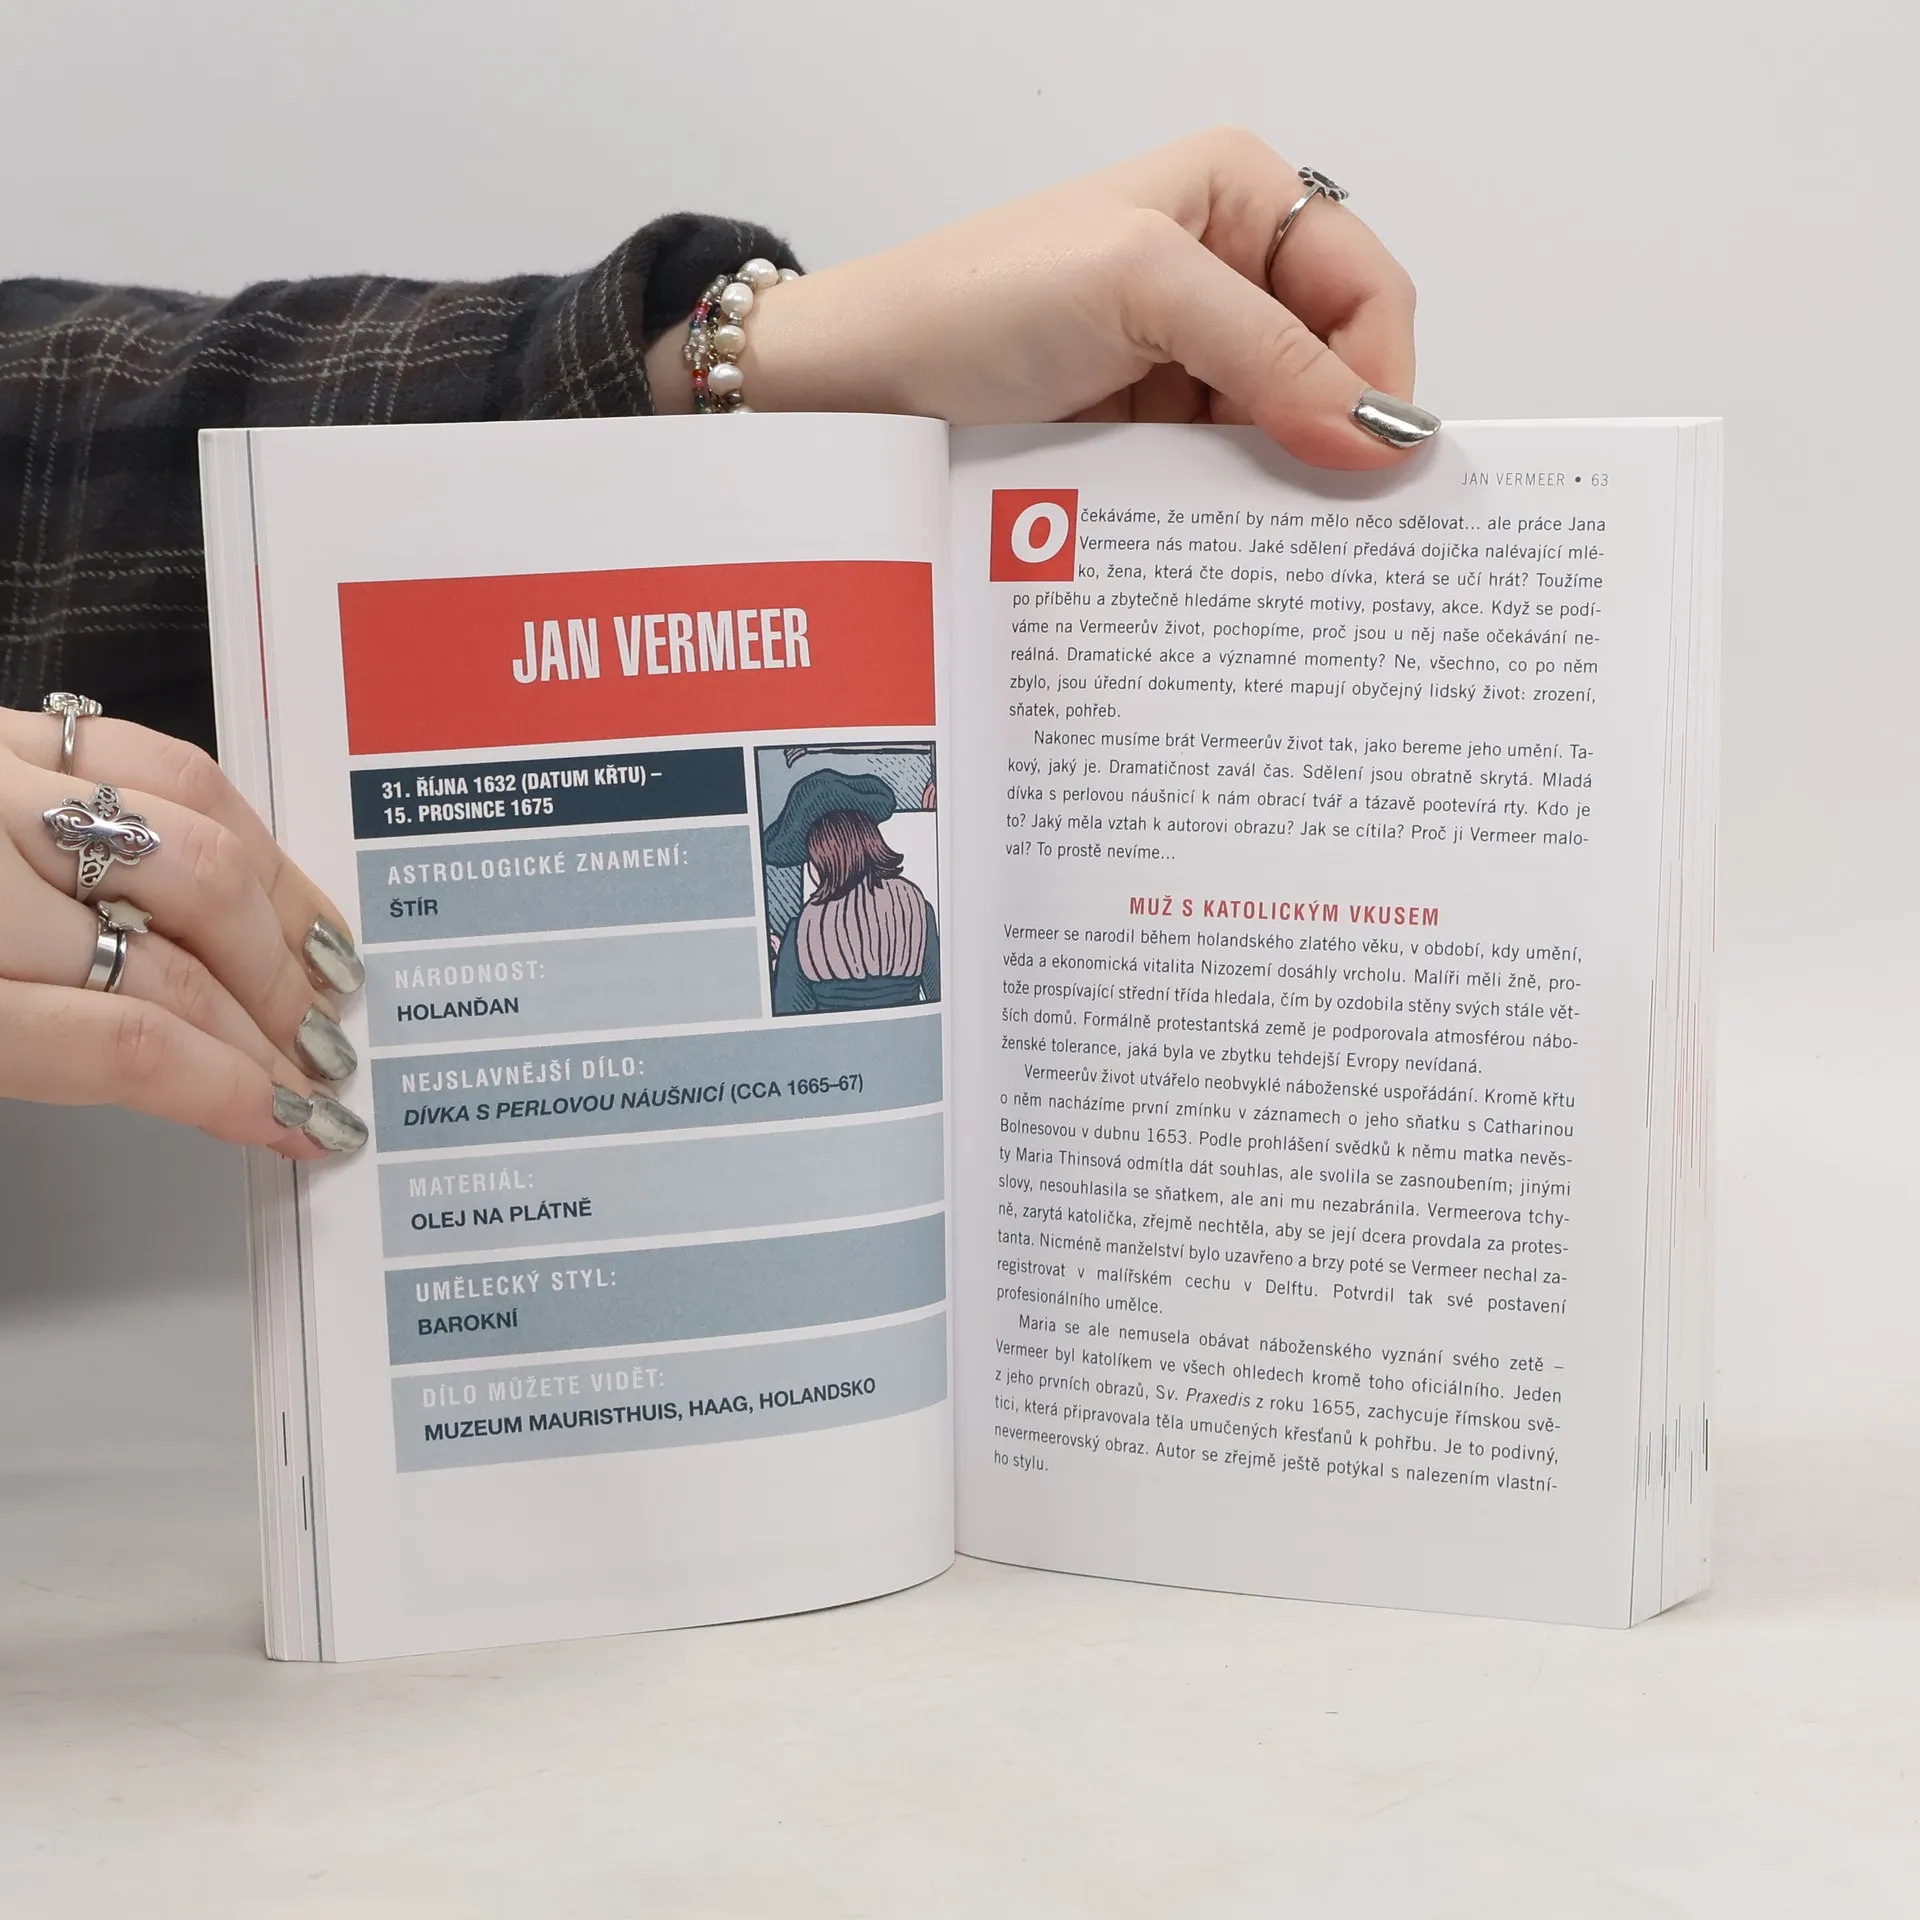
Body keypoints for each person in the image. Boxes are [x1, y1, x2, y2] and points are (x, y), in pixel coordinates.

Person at [0, 128, 1432, 1159]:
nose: (847, 856)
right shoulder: (847, 930)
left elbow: (75, 454)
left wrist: (760, 360)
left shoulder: (861, 924)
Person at [763, 770, 940, 1014]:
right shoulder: (917, 910)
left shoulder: (802, 929)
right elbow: (938, 993)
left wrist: (780, 964)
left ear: (822, 860)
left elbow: (790, 1012)